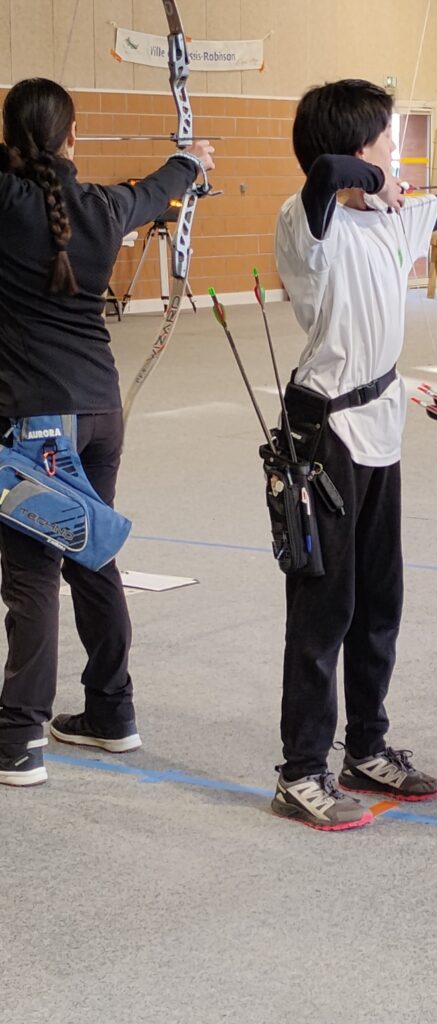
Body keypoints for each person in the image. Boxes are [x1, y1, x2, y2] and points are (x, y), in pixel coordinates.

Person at [272, 79, 437, 830]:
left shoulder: (397, 217)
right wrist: (375, 177)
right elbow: (329, 175)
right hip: (323, 433)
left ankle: (366, 746)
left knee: (378, 600)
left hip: (381, 426)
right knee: (322, 608)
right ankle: (300, 771)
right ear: (359, 148)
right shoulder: (308, 222)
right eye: (386, 142)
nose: (397, 156)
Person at [0, 78, 215, 786]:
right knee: (91, 557)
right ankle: (110, 713)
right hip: (99, 412)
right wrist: (191, 159)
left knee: (33, 579)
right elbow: (163, 184)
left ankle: (18, 740)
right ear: (73, 137)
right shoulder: (103, 205)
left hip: (36, 423)